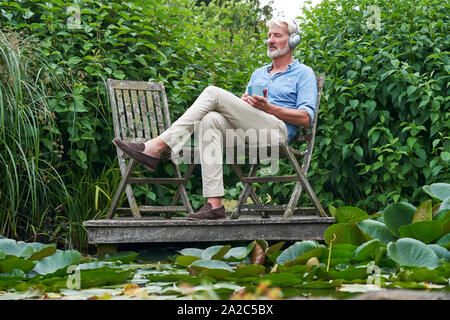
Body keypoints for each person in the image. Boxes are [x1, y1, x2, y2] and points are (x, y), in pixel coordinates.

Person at [113, 18, 317, 220]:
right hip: (249, 132)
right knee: (210, 119)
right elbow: (241, 112)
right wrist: (244, 102)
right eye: (269, 35)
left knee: (212, 93)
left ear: (293, 41)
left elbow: (306, 118)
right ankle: (214, 205)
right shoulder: (258, 74)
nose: (270, 40)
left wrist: (269, 108)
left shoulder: (303, 73)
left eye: (277, 36)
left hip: (277, 133)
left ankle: (156, 147)